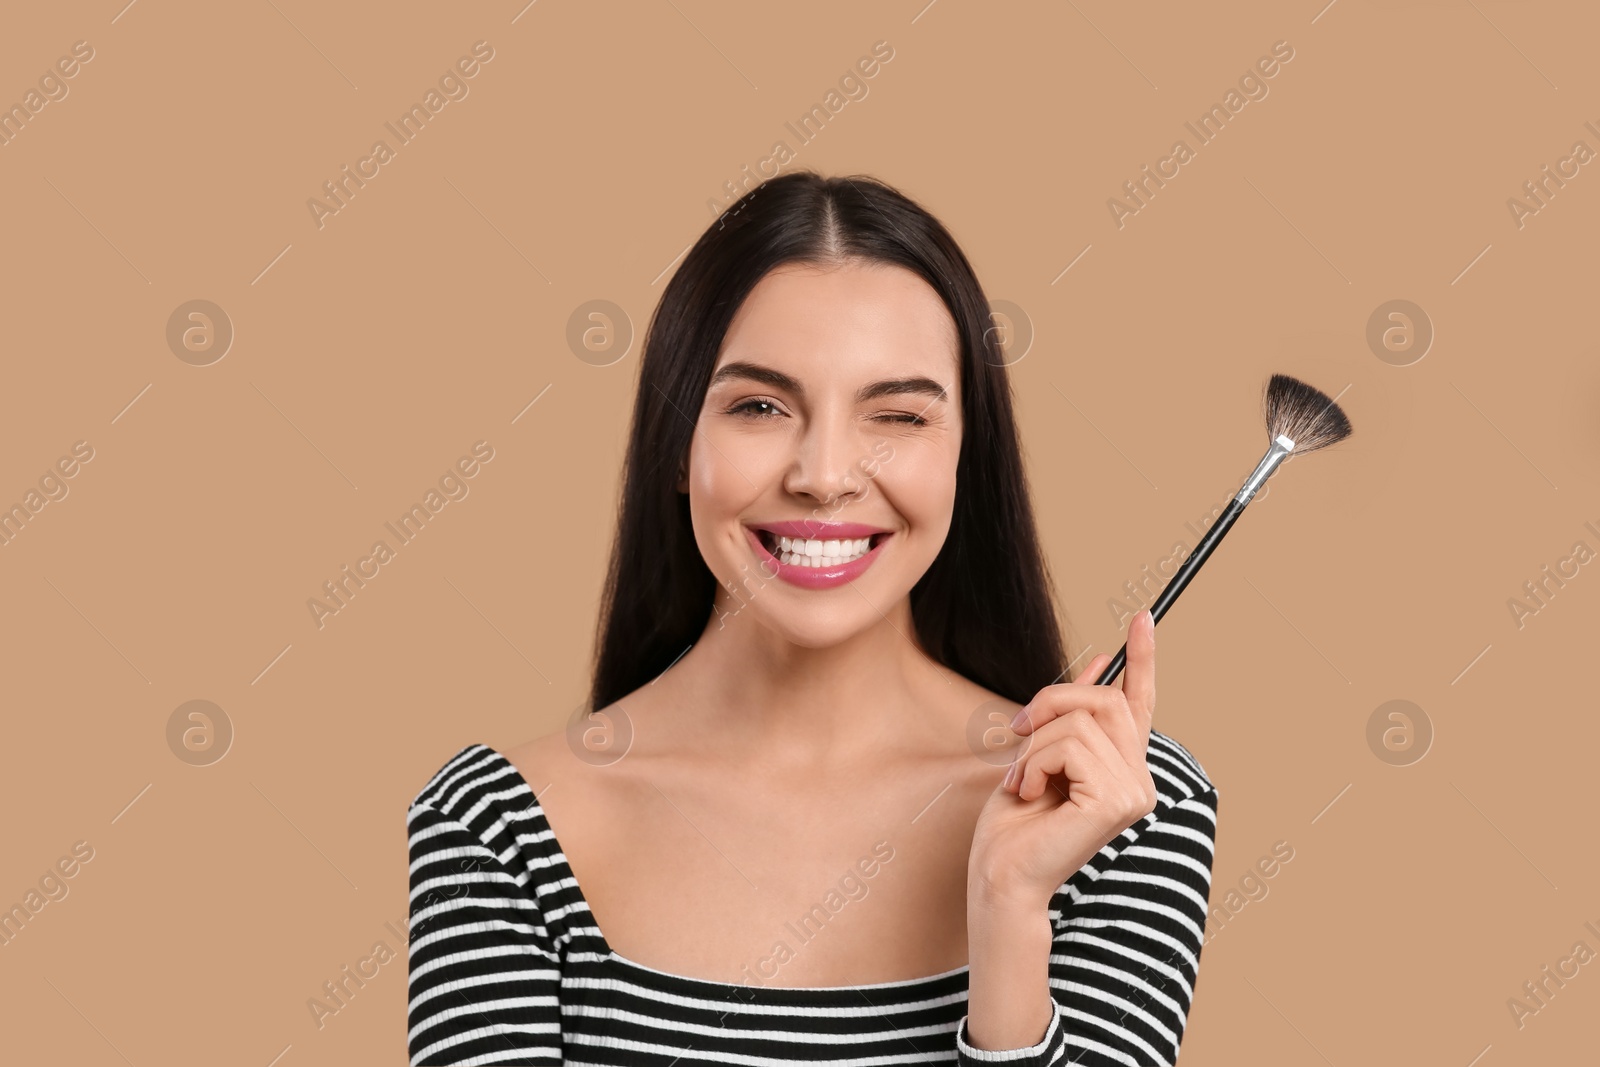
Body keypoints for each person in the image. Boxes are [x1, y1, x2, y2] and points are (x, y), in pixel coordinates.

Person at [406, 170, 1218, 1065]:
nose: (824, 474)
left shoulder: (1116, 806)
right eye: (759, 406)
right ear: (677, 444)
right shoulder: (498, 827)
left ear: (963, 461)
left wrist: (1011, 912)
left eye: (899, 414)